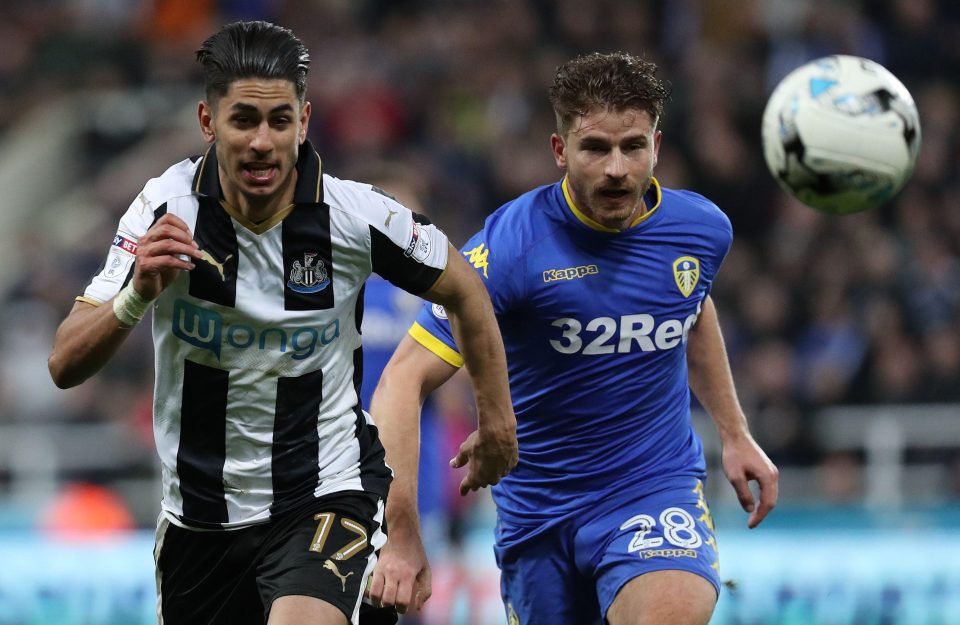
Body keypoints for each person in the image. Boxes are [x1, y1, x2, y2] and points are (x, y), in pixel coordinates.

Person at [46, 20, 517, 625]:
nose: (262, 142)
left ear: (305, 119)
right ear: (207, 122)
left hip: (324, 492)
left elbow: (465, 289)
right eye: (243, 120)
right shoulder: (164, 209)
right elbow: (63, 363)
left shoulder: (353, 216)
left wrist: (496, 417)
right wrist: (136, 295)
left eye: (279, 121)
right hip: (199, 521)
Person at [367, 52, 779, 625]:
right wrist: (402, 534)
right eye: (595, 149)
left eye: (633, 146)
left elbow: (691, 308)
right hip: (538, 512)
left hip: (653, 488)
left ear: (656, 146)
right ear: (560, 151)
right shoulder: (511, 249)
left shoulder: (701, 231)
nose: (616, 169)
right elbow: (403, 378)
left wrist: (735, 433)